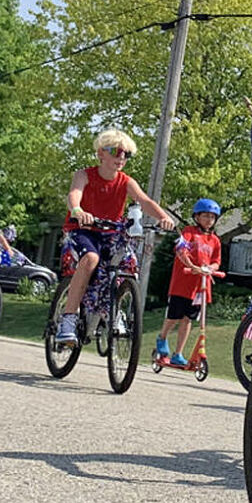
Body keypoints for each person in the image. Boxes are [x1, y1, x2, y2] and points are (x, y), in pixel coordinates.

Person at [55, 129, 176, 343]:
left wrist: (163, 217)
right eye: (116, 152)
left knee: (127, 264)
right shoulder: (84, 175)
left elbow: (145, 201)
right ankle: (69, 318)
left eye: (126, 155)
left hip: (111, 232)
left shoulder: (126, 181)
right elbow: (74, 194)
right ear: (101, 153)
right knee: (91, 259)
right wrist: (78, 211)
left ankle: (114, 311)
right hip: (82, 230)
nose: (121, 158)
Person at [155, 199, 222, 365]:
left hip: (200, 286)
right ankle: (162, 337)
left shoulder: (215, 240)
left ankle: (178, 353)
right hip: (182, 284)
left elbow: (216, 261)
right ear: (197, 217)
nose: (208, 220)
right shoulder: (189, 232)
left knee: (187, 319)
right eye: (205, 216)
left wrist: (211, 269)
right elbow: (181, 250)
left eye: (212, 217)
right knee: (174, 316)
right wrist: (191, 266)